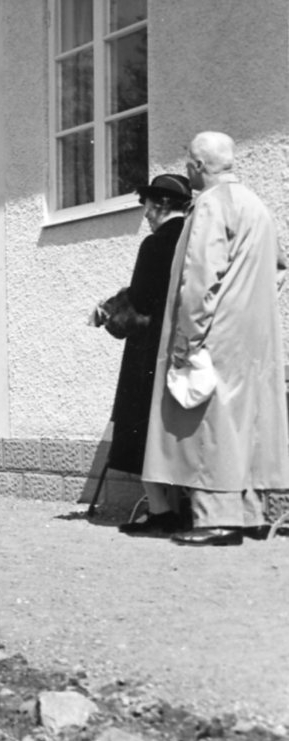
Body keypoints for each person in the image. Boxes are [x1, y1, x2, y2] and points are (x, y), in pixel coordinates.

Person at [141, 132, 289, 546]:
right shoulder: (257, 206)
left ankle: (218, 520)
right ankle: (252, 515)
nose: (188, 170)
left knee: (210, 422)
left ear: (198, 167)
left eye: (189, 163)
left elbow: (198, 278)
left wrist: (187, 339)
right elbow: (279, 266)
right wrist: (249, 303)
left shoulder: (209, 205)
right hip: (255, 336)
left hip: (217, 332)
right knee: (250, 421)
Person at [89, 175, 191, 534]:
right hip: (188, 348)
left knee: (142, 426)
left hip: (150, 353)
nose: (145, 214)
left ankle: (161, 511)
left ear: (161, 205)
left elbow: (140, 303)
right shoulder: (195, 239)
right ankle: (184, 507)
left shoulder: (155, 244)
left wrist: (106, 313)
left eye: (147, 205)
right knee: (177, 428)